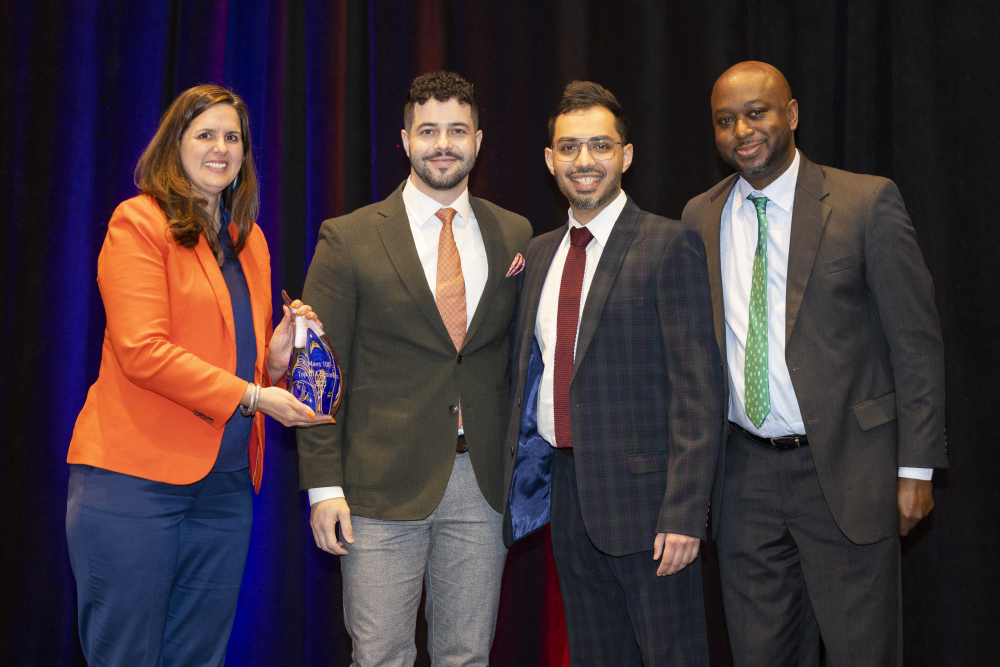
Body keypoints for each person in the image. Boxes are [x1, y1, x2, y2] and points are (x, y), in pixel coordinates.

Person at [682, 61, 947, 666]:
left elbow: (917, 342)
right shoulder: (699, 215)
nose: (742, 130)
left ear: (792, 114)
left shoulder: (864, 201)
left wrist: (918, 468)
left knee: (862, 653)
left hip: (848, 474)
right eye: (725, 121)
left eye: (757, 113)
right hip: (743, 478)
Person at [65, 84, 328, 667]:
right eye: (204, 134)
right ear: (174, 146)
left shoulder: (250, 241)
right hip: (132, 480)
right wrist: (256, 395)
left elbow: (240, 363)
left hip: (226, 487)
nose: (220, 148)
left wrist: (278, 359)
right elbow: (143, 351)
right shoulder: (138, 222)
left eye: (232, 137)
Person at [298, 71, 532, 667]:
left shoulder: (515, 234)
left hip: (482, 488)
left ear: (478, 141)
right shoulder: (348, 239)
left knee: (467, 656)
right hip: (377, 489)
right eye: (428, 131)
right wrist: (324, 489)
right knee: (379, 657)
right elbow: (316, 371)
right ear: (405, 141)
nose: (443, 144)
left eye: (457, 130)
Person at [501, 81, 723, 666]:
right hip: (569, 497)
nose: (584, 161)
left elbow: (698, 390)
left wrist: (684, 513)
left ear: (625, 155)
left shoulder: (669, 245)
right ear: (550, 160)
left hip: (652, 508)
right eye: (569, 147)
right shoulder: (540, 253)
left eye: (600, 146)